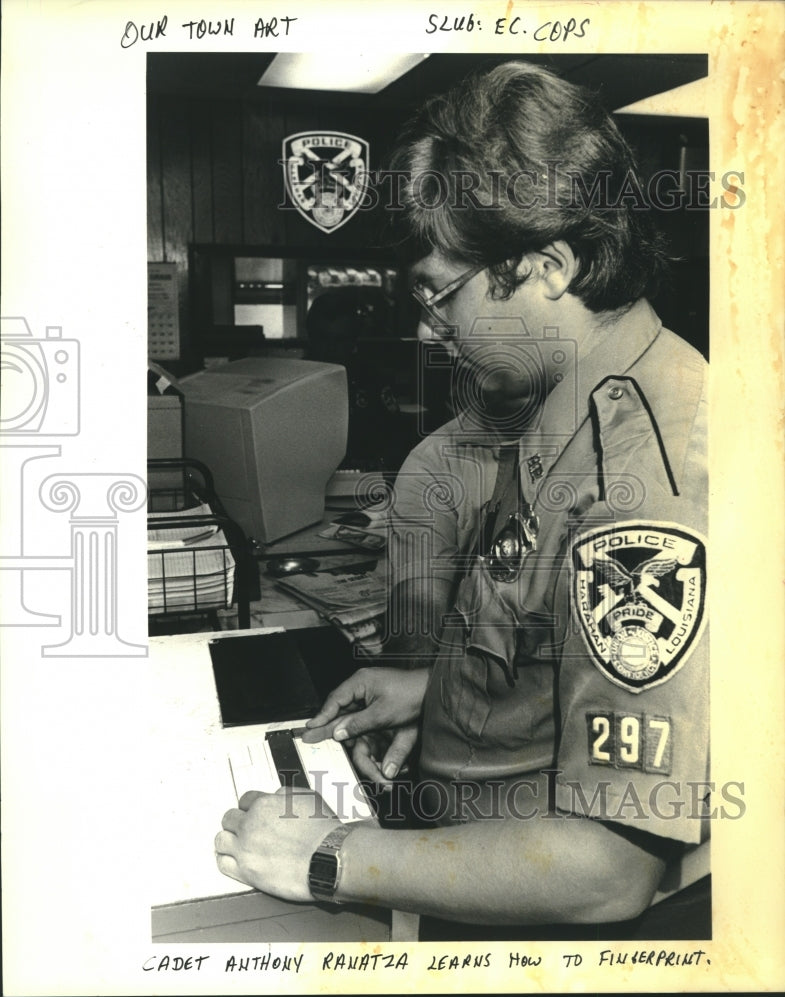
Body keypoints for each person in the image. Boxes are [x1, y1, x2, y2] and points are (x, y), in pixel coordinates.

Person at [215, 61, 710, 939]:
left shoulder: (647, 482)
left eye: (440, 295)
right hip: (469, 838)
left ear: (547, 267)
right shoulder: (562, 405)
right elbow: (539, 644)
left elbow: (608, 866)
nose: (425, 331)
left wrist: (327, 856)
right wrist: (437, 693)